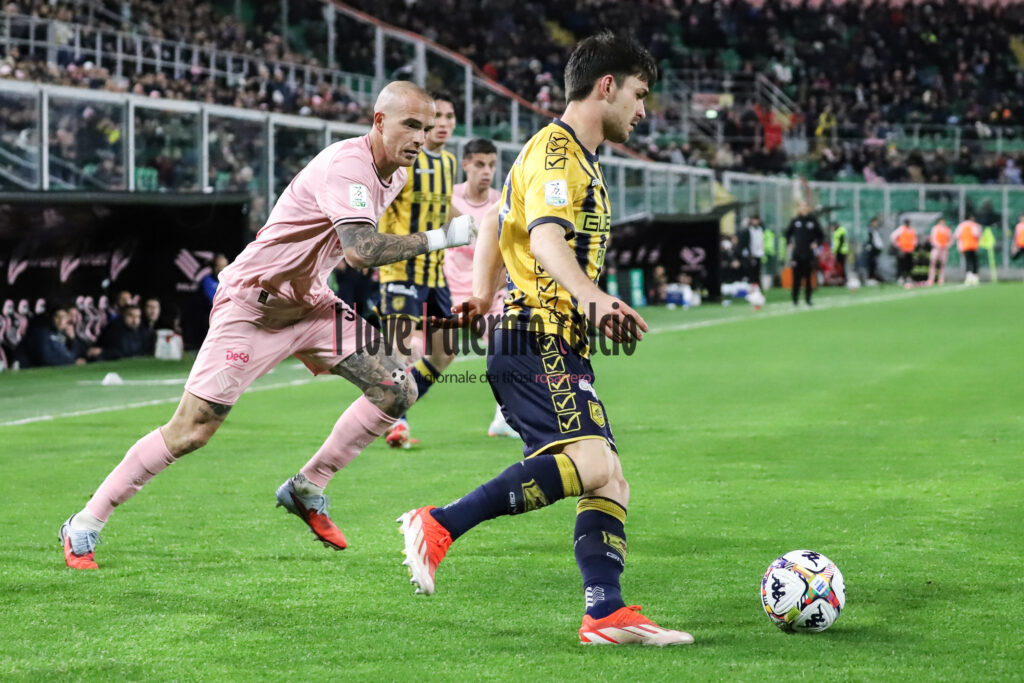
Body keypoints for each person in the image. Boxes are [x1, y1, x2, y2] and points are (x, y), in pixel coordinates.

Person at [58, 81, 476, 570]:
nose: (421, 137)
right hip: (252, 307)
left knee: (396, 389)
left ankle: (307, 488)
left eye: (427, 128)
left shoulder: (397, 174)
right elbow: (362, 250)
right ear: (379, 121)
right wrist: (443, 237)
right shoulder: (348, 166)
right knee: (192, 431)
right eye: (411, 124)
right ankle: (85, 521)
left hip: (310, 304)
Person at [397, 32, 694, 647]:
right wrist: (595, 297)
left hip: (550, 338)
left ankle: (605, 613)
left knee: (610, 479)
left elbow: (494, 223)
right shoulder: (558, 154)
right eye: (639, 95)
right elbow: (545, 241)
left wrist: (480, 293)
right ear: (605, 86)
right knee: (591, 463)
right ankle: (438, 522)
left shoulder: (560, 156)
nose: (643, 110)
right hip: (538, 336)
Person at [376, 90, 460, 449]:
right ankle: (397, 420)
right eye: (436, 117)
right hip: (401, 269)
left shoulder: (448, 164)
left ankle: (396, 408)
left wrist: (472, 225)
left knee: (445, 351)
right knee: (400, 347)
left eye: (449, 118)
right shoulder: (404, 159)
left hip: (435, 272)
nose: (442, 124)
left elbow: (441, 210)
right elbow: (380, 202)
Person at [444, 137, 518, 438]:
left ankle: (503, 418)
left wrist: (492, 290)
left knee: (507, 346)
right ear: (465, 165)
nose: (486, 171)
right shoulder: (448, 199)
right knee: (419, 351)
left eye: (491, 165)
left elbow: (507, 255)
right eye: (479, 164)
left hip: (486, 292)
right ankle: (396, 418)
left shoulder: (503, 202)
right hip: (448, 289)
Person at [784, 203, 824, 306]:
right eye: (802, 207)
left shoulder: (813, 221)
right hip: (797, 254)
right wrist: (789, 243)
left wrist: (816, 243)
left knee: (808, 278)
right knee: (796, 278)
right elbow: (787, 234)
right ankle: (795, 299)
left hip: (809, 254)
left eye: (806, 207)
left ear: (809, 209)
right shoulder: (795, 221)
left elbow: (821, 235)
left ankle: (808, 299)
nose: (804, 209)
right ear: (800, 209)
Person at [738, 214, 766, 288]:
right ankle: (753, 287)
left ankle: (758, 286)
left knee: (757, 271)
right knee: (752, 272)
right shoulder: (749, 230)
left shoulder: (760, 229)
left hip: (759, 253)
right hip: (751, 254)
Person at [954, 214, 982, 285]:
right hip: (973, 246)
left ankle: (969, 277)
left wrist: (959, 246)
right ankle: (975, 277)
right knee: (974, 261)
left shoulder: (961, 225)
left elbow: (956, 235)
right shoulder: (974, 225)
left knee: (968, 261)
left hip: (965, 246)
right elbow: (977, 234)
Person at [890, 218, 917, 285]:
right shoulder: (901, 229)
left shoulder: (912, 230)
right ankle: (901, 277)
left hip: (910, 250)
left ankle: (908, 277)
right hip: (902, 250)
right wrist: (898, 245)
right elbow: (893, 237)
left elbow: (915, 238)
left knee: (909, 264)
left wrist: (913, 245)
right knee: (901, 264)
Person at [926, 217, 952, 286]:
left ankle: (941, 279)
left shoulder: (947, 229)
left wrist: (946, 246)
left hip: (944, 249)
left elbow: (950, 239)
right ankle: (931, 279)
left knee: (942, 265)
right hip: (936, 249)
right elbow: (932, 238)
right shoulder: (935, 228)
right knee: (933, 264)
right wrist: (938, 245)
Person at [865, 217, 885, 283]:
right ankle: (870, 278)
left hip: (876, 250)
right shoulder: (870, 230)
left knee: (875, 264)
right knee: (871, 264)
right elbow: (870, 240)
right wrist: (871, 246)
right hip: (872, 250)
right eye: (875, 222)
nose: (877, 223)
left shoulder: (876, 230)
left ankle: (873, 278)